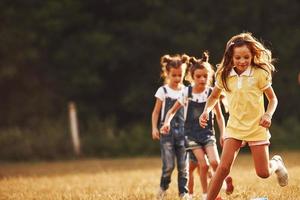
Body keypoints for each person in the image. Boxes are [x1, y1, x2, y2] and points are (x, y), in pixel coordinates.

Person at [199, 32, 289, 200]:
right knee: (223, 168)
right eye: (238, 58)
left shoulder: (259, 73)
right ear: (231, 57)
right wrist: (206, 111)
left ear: (252, 55)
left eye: (246, 57)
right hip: (234, 126)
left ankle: (276, 163)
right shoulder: (224, 75)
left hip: (257, 127)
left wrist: (268, 115)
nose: (242, 61)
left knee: (262, 173)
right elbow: (213, 97)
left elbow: (273, 99)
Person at [161, 53, 233, 200]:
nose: (202, 79)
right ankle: (207, 195)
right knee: (204, 165)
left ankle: (221, 186)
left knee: (215, 162)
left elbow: (219, 116)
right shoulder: (186, 93)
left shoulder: (211, 93)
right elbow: (171, 111)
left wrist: (223, 133)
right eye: (198, 76)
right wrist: (167, 122)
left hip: (207, 133)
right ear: (191, 77)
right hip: (190, 135)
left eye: (205, 76)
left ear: (209, 76)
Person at [151, 54, 189, 200]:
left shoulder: (186, 91)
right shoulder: (163, 91)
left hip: (184, 133)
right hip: (166, 133)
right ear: (167, 73)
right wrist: (154, 128)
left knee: (183, 166)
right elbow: (155, 112)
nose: (177, 78)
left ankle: (183, 193)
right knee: (168, 166)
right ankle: (163, 187)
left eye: (180, 75)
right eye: (174, 75)